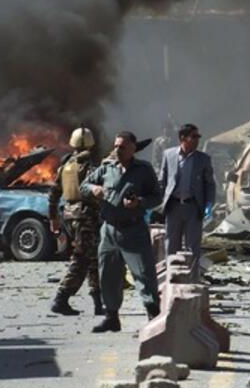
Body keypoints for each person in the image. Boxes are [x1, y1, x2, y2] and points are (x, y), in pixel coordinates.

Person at [81, 131, 163, 333]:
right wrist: (94, 190)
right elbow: (83, 186)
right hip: (109, 230)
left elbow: (157, 197)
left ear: (133, 148)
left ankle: (154, 318)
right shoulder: (107, 168)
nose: (117, 150)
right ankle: (111, 317)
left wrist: (139, 203)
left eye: (122, 147)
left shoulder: (143, 170)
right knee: (108, 275)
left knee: (144, 275)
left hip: (133, 230)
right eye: (116, 146)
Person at [49, 127, 104, 317]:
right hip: (85, 217)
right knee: (82, 259)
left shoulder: (65, 165)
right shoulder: (89, 166)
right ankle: (61, 298)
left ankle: (98, 302)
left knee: (94, 258)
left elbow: (54, 194)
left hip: (71, 215)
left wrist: (53, 219)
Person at [156, 123, 215, 266]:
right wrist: (157, 202)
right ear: (183, 137)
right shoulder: (169, 154)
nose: (197, 140)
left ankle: (192, 277)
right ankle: (171, 277)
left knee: (193, 246)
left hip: (193, 207)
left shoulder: (203, 159)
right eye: (193, 137)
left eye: (198, 137)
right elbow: (162, 181)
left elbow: (209, 183)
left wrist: (209, 204)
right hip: (174, 206)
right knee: (171, 244)